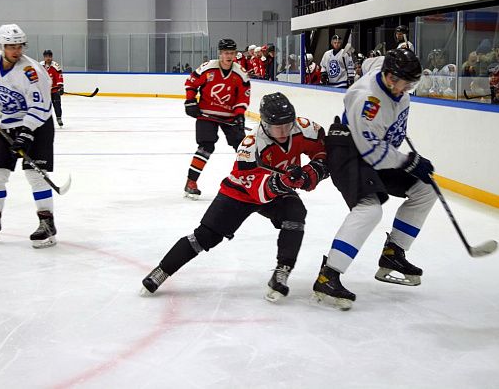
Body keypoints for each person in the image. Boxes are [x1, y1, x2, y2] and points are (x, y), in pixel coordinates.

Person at [141, 92, 329, 301]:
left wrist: (313, 171)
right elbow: (257, 188)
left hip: (278, 189)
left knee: (295, 214)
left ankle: (281, 271)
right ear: (265, 124)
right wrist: (285, 181)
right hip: (240, 192)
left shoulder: (304, 128)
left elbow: (323, 151)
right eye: (278, 126)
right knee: (205, 236)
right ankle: (162, 271)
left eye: (288, 124)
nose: (284, 131)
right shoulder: (251, 145)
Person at [312, 48, 437, 310]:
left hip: (378, 149)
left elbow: (374, 61)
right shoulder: (367, 101)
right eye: (407, 83)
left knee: (426, 188)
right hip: (349, 149)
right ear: (390, 78)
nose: (410, 88)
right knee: (369, 209)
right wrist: (408, 161)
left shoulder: (390, 76)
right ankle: (329, 274)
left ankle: (393, 254)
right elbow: (373, 153)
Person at [0, 24, 58, 249]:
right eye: (11, 46)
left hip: (38, 125)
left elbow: (41, 105)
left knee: (35, 175)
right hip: (8, 124)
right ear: (2, 46)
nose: (16, 50)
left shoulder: (32, 71)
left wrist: (28, 131)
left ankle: (47, 223)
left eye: (19, 46)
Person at [182, 38, 251, 199]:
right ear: (220, 54)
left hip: (229, 116)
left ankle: (248, 180)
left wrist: (240, 114)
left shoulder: (240, 73)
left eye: (232, 53)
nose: (229, 56)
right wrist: (190, 101)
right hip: (206, 115)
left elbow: (243, 97)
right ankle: (191, 182)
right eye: (226, 53)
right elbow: (191, 83)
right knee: (206, 147)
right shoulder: (208, 68)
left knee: (243, 148)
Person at [41, 50, 65, 127]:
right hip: (44, 91)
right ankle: (44, 120)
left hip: (54, 90)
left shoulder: (55, 66)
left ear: (51, 57)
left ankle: (59, 118)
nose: (48, 58)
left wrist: (60, 87)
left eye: (49, 56)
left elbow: (59, 77)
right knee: (44, 106)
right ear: (44, 57)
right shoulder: (40, 66)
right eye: (46, 56)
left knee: (57, 104)